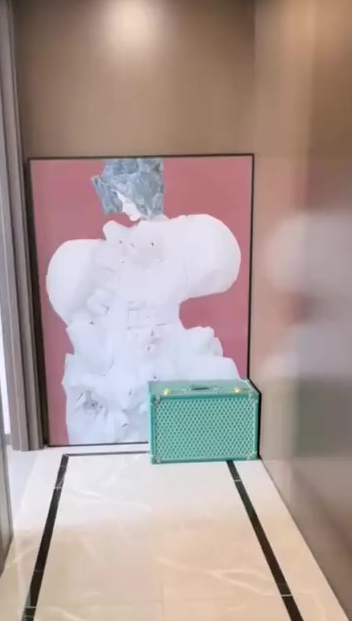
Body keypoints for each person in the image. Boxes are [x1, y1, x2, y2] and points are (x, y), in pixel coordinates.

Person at [46, 158, 241, 444]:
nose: (123, 205)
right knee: (131, 403)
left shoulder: (167, 242)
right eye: (118, 196)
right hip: (129, 348)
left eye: (125, 196)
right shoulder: (116, 252)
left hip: (161, 343)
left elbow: (201, 271)